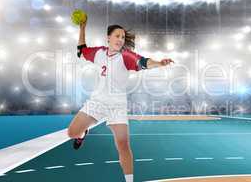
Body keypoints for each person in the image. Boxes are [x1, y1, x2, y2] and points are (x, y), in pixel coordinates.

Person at [67, 15, 174, 182]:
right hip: (97, 102)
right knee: (71, 132)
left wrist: (160, 63)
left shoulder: (125, 55)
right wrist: (82, 29)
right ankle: (82, 134)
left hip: (117, 106)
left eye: (123, 37)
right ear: (108, 37)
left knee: (123, 145)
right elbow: (81, 50)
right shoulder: (98, 53)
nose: (120, 39)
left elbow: (144, 62)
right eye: (117, 36)